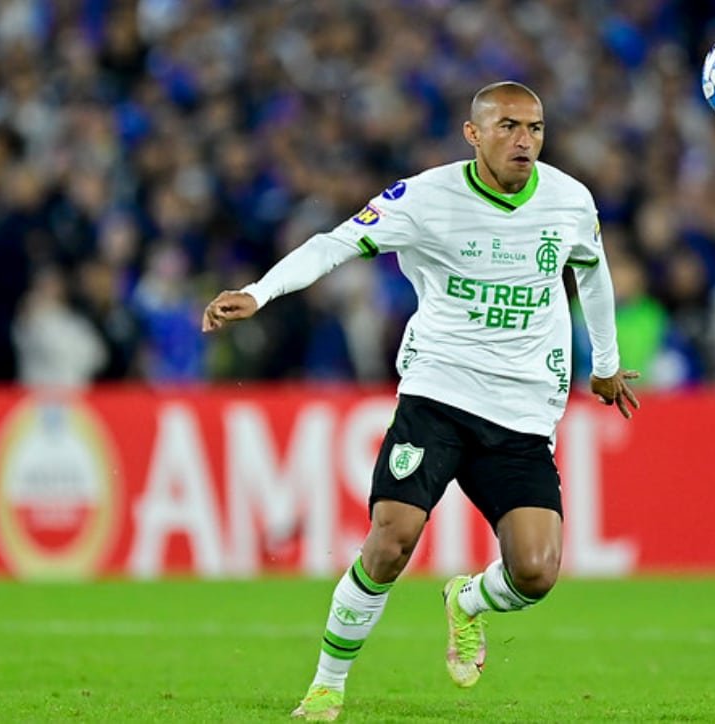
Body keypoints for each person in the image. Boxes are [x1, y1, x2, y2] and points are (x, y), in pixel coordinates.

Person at [201, 81, 639, 721]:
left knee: (537, 572)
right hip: (440, 389)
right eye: (509, 127)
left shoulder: (570, 200)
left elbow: (592, 271)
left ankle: (466, 602)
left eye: (536, 129)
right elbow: (336, 242)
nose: (525, 141)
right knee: (392, 539)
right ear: (474, 134)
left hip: (522, 408)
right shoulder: (426, 198)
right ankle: (327, 686)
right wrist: (260, 293)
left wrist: (603, 364)